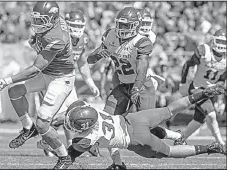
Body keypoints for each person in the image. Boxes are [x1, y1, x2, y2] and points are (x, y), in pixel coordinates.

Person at [0, 2, 75, 169]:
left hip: (61, 78)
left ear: (53, 20)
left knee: (43, 124)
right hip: (49, 73)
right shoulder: (53, 24)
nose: (37, 24)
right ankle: (28, 128)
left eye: (42, 20)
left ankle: (64, 157)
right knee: (15, 92)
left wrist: (5, 80)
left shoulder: (57, 37)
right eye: (37, 19)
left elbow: (35, 69)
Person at [87, 7, 179, 169]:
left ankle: (176, 135)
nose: (122, 29)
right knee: (107, 123)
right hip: (122, 86)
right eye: (120, 25)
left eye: (126, 25)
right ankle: (117, 163)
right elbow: (90, 59)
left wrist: (136, 88)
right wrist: (98, 55)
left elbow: (142, 68)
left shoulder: (141, 42)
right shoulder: (110, 35)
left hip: (142, 86)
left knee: (145, 127)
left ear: (136, 26)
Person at [61, 84, 226, 169]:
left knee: (170, 152)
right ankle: (202, 94)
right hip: (135, 119)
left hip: (135, 139)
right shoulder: (94, 110)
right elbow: (78, 106)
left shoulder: (85, 139)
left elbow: (68, 158)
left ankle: (210, 148)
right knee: (171, 109)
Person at [37, 10, 100, 157]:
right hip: (51, 80)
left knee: (73, 113)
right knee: (60, 116)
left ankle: (70, 145)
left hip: (67, 81)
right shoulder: (60, 38)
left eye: (79, 26)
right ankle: (47, 141)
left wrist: (90, 82)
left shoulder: (82, 39)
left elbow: (82, 62)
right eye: (73, 26)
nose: (77, 30)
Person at [174, 29, 226, 146]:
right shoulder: (204, 50)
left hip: (212, 90)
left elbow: (222, 79)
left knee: (199, 120)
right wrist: (183, 83)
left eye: (224, 43)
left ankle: (180, 139)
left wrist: (219, 94)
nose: (221, 45)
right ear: (213, 40)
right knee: (211, 115)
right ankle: (221, 144)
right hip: (197, 88)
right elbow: (188, 65)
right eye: (219, 42)